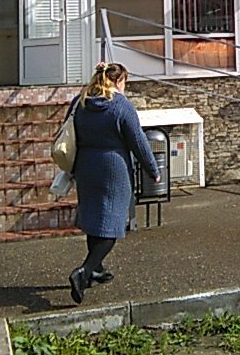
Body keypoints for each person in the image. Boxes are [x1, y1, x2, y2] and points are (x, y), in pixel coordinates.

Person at [68, 61, 160, 305]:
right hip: (113, 169)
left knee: (94, 219)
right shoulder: (121, 105)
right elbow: (138, 141)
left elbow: (69, 128)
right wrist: (153, 170)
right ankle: (84, 271)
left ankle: (96, 270)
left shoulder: (80, 101)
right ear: (119, 81)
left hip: (85, 166)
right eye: (125, 82)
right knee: (111, 222)